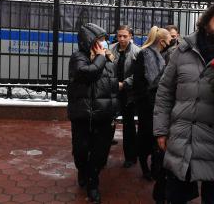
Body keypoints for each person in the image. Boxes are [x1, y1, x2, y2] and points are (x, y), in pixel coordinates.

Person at [153, 2, 214, 204]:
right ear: (205, 23)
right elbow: (165, 92)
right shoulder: (182, 51)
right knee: (175, 197)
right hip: (182, 140)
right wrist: (161, 130)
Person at [67, 23, 119, 204]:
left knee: (99, 154)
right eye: (100, 40)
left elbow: (112, 88)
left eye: (105, 40)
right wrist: (100, 58)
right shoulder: (78, 58)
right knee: (81, 151)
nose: (105, 44)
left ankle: (93, 183)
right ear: (90, 41)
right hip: (83, 115)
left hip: (103, 115)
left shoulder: (109, 60)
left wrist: (114, 111)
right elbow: (88, 73)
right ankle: (82, 169)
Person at [133, 26, 171, 196]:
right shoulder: (145, 54)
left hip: (156, 105)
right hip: (147, 106)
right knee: (144, 136)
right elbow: (141, 83)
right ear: (162, 41)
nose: (171, 42)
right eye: (169, 39)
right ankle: (144, 167)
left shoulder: (159, 55)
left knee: (156, 137)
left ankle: (155, 168)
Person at [109, 25, 141, 168]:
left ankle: (131, 157)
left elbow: (139, 74)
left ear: (131, 37)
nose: (121, 39)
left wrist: (125, 84)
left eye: (125, 36)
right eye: (119, 36)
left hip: (128, 94)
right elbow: (107, 68)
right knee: (108, 122)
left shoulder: (137, 52)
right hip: (113, 91)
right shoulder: (111, 49)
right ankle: (102, 155)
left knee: (128, 126)